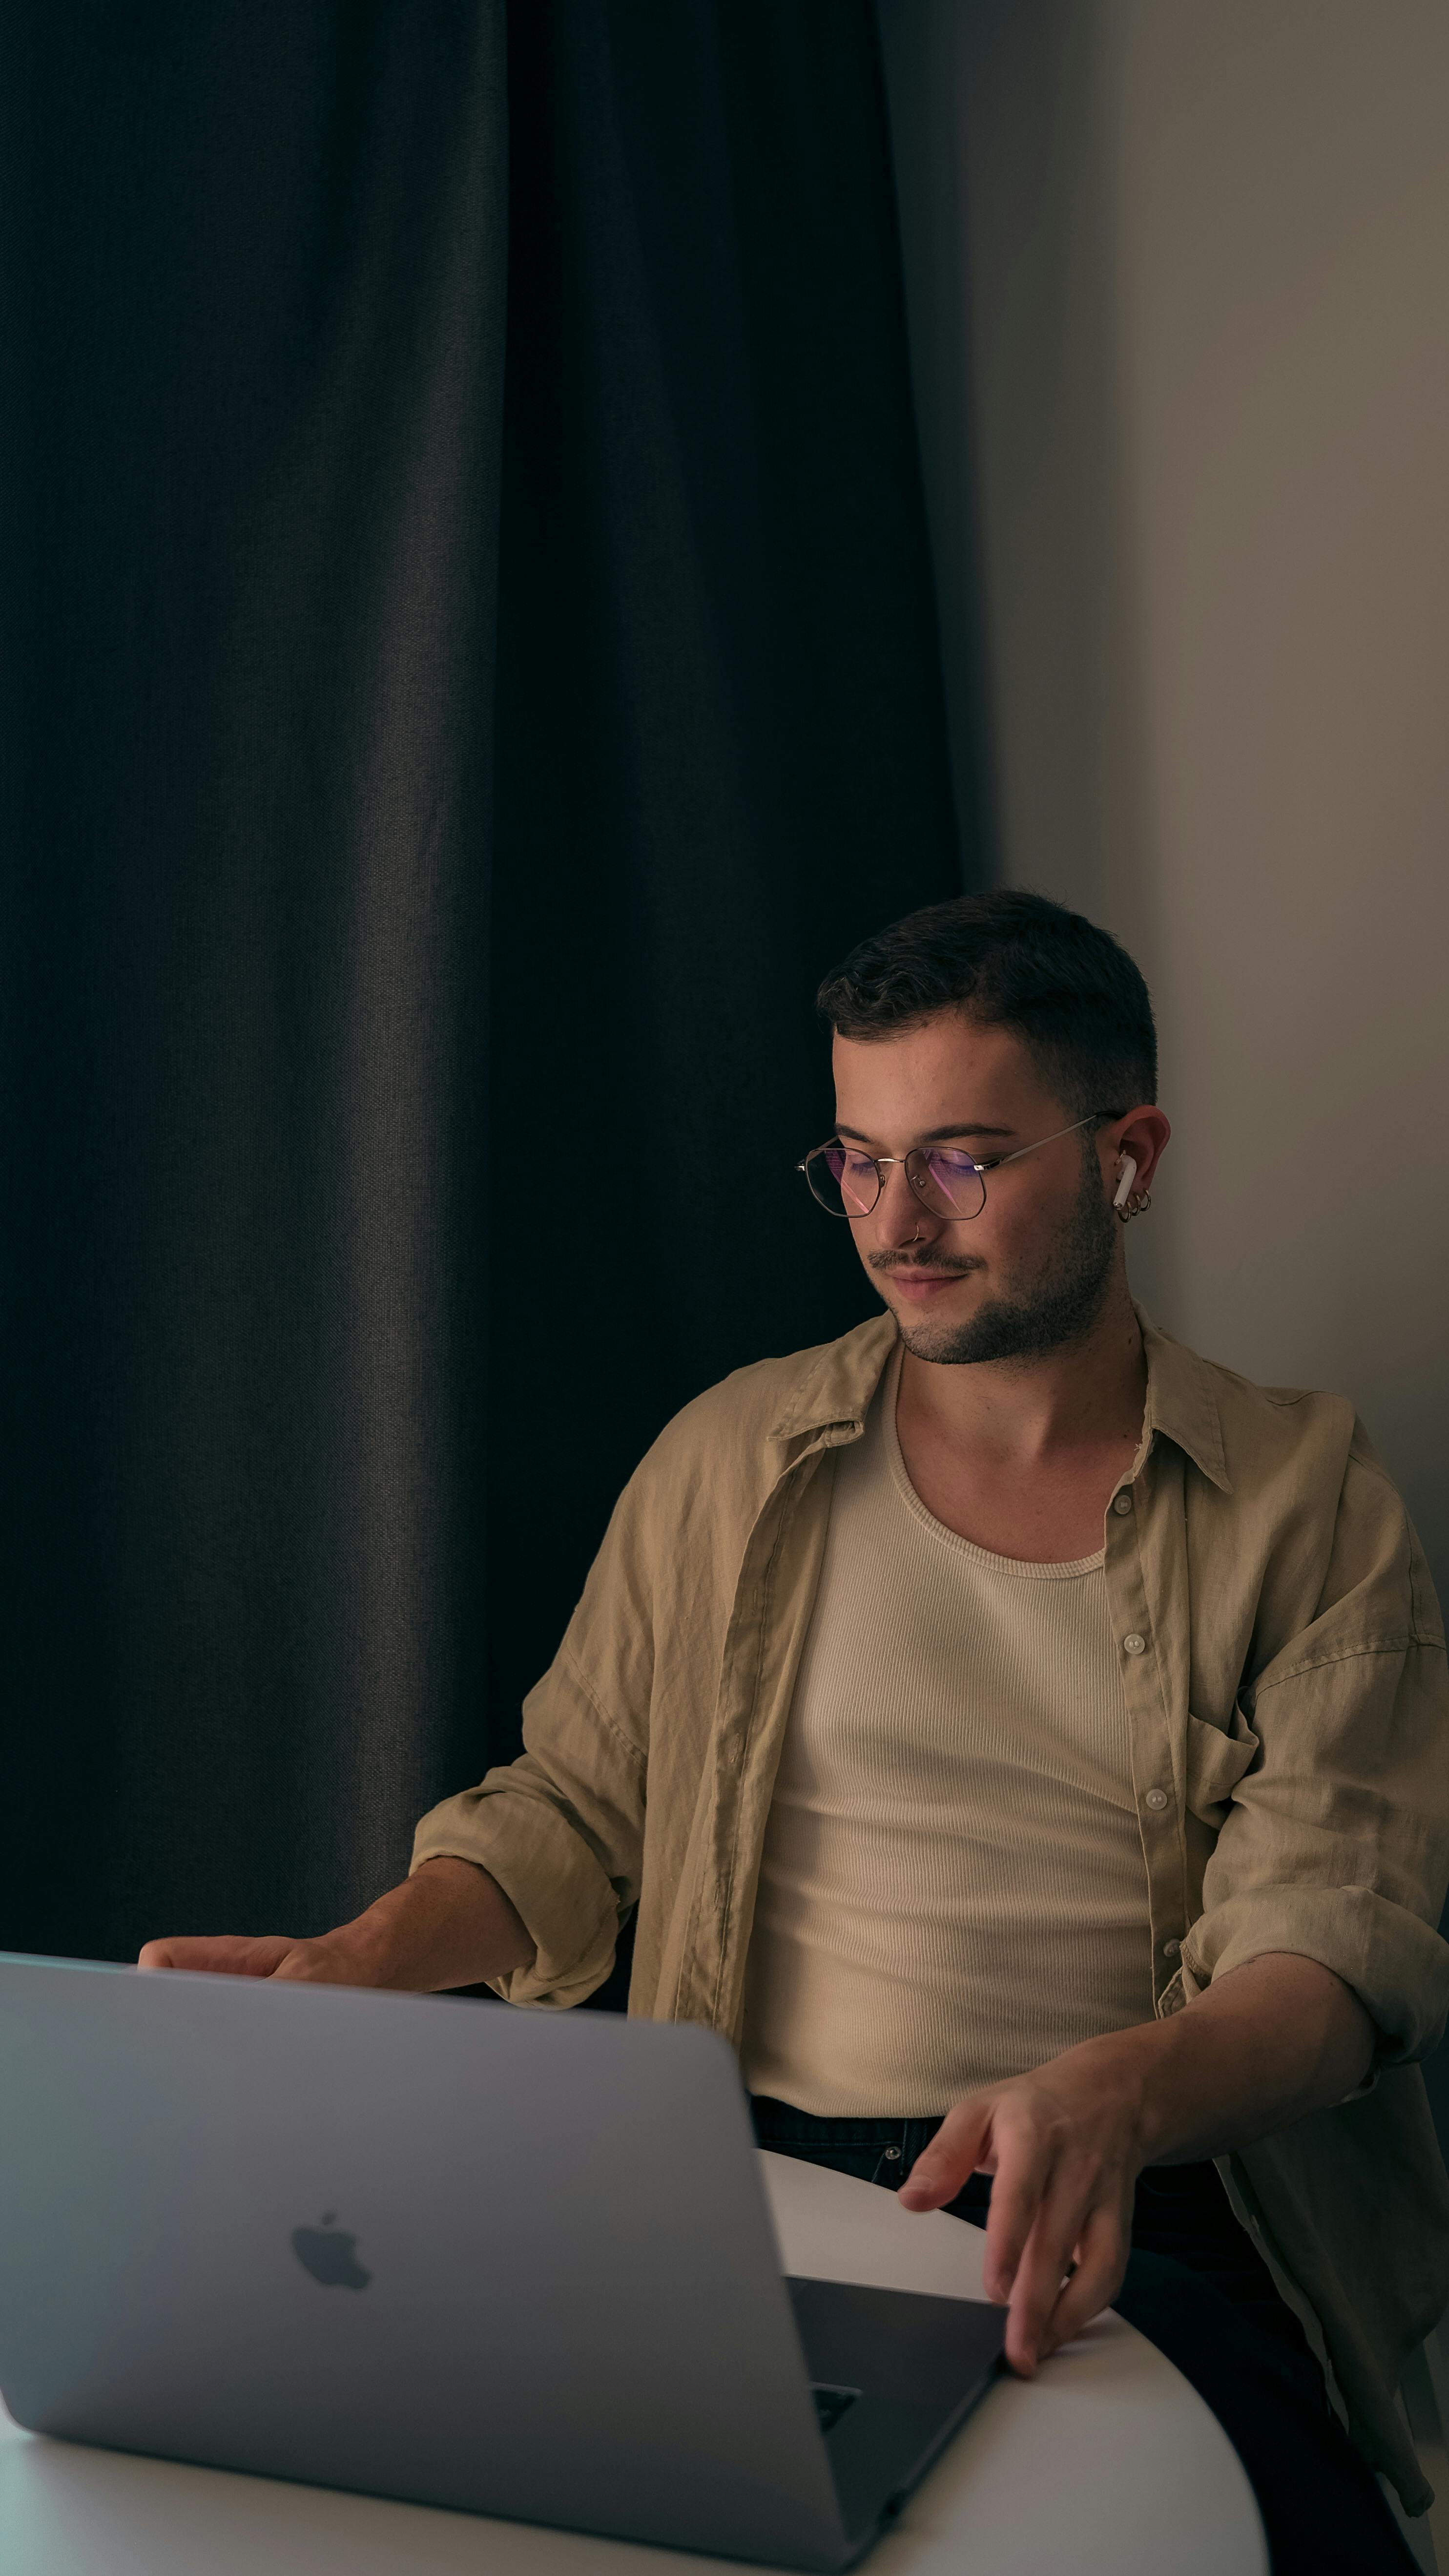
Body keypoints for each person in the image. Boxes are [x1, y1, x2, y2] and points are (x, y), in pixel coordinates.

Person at [144, 890, 1449, 2574]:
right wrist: (367, 1959)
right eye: (857, 1158)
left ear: (1129, 1154)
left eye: (964, 1160)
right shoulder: (731, 1458)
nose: (897, 1220)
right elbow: (575, 1803)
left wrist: (1119, 2088)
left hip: (1143, 2195)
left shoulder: (1304, 1495)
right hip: (746, 2186)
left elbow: (1337, 1948)